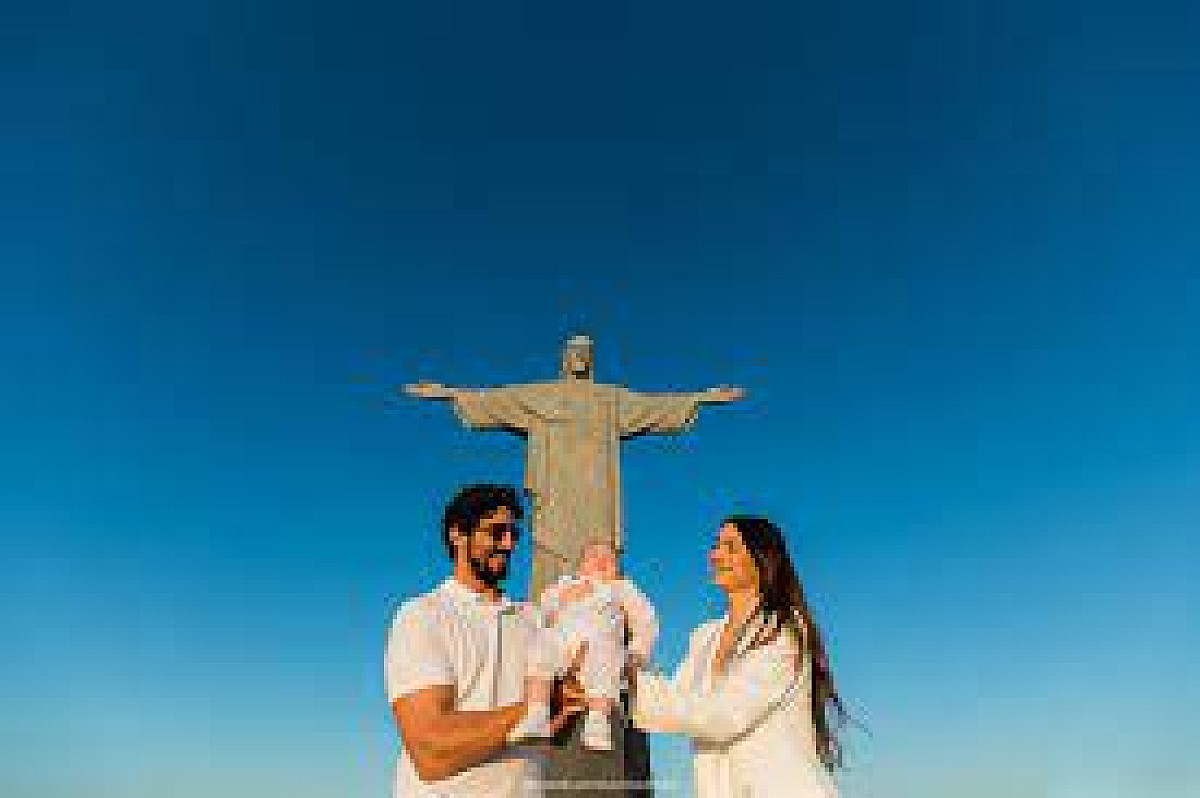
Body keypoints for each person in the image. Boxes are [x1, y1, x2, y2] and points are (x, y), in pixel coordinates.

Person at [384, 484, 586, 797]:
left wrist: (574, 699)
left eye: (513, 534)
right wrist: (536, 706)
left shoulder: (533, 621)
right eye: (495, 532)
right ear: (457, 535)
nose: (508, 544)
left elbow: (548, 734)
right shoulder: (423, 616)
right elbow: (430, 750)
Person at [631, 516, 848, 797]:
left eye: (730, 547)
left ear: (762, 560)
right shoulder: (704, 635)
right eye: (716, 545)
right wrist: (612, 678)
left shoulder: (782, 629)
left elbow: (723, 714)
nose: (715, 554)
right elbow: (677, 699)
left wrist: (626, 689)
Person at [508, 537, 659, 751]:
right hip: (561, 641)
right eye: (593, 556)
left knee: (609, 656)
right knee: (540, 648)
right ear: (579, 567)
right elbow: (541, 610)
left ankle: (598, 720)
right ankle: (536, 712)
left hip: (599, 642)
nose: (601, 560)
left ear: (618, 571)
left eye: (609, 558)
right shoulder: (565, 585)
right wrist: (559, 601)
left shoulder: (621, 588)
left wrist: (638, 652)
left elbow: (645, 618)